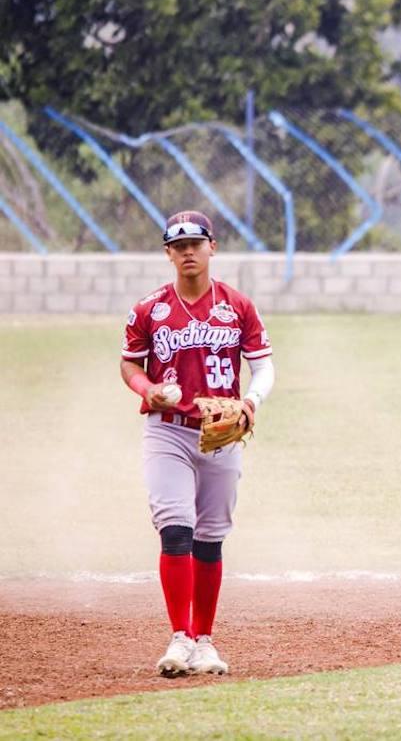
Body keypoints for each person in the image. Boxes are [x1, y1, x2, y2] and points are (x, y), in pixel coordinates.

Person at [120, 210, 275, 677]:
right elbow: (130, 365)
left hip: (222, 434)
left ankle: (205, 640)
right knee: (175, 528)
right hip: (167, 429)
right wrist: (147, 390)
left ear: (213, 247)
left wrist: (250, 402)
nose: (188, 252)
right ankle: (180, 638)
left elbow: (264, 365)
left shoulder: (237, 305)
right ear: (168, 254)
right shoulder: (150, 308)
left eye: (196, 243)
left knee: (209, 539)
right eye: (178, 245)